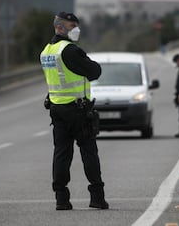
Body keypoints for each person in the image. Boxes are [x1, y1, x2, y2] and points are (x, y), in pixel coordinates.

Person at [40, 12, 109, 210]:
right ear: (60, 27)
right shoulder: (69, 50)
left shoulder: (47, 51)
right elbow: (94, 71)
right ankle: (97, 196)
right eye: (72, 25)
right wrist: (91, 63)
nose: (76, 29)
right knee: (89, 152)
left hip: (57, 108)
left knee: (61, 153)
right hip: (77, 110)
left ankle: (61, 198)